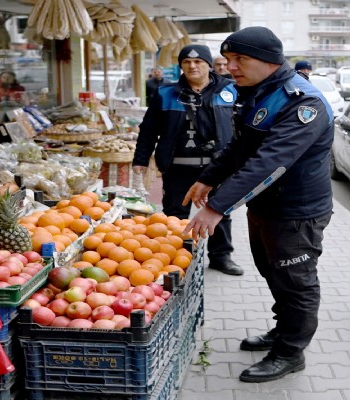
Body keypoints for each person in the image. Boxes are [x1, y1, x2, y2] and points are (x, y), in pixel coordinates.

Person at [182, 26, 334, 383]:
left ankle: (290, 352)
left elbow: (270, 162)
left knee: (296, 282)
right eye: (228, 58)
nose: (229, 66)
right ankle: (282, 332)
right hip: (266, 208)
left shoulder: (302, 102)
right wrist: (209, 176)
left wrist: (217, 207)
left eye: (239, 59)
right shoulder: (258, 91)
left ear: (268, 61)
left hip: (297, 213)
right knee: (273, 273)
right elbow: (240, 148)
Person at [133, 44, 243, 276]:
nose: (192, 66)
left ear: (208, 65)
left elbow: (244, 128)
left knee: (220, 212)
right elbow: (148, 130)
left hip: (217, 167)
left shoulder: (230, 90)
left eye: (198, 62)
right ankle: (174, 257)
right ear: (181, 66)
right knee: (174, 215)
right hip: (178, 167)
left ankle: (221, 257)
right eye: (187, 62)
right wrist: (140, 159)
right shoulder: (165, 93)